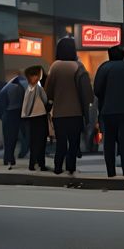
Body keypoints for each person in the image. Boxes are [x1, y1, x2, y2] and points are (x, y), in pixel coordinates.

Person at [43, 36, 92, 175]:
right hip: (76, 113)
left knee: (61, 143)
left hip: (59, 114)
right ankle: (71, 167)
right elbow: (88, 93)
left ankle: (58, 167)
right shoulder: (79, 67)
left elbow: (48, 92)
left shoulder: (55, 66)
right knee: (74, 142)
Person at [93, 44, 124, 177]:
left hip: (108, 111)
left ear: (109, 55)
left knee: (109, 142)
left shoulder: (104, 68)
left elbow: (97, 90)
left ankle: (111, 171)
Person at [21, 65, 50, 171]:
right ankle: (40, 163)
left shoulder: (28, 88)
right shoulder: (37, 88)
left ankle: (33, 163)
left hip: (31, 118)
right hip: (40, 116)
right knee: (41, 141)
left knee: (34, 141)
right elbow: (45, 100)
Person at [0, 71, 26, 168]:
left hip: (6, 114)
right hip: (15, 114)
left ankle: (6, 158)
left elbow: (0, 102)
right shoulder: (20, 88)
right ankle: (11, 158)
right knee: (13, 138)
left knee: (7, 138)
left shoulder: (5, 89)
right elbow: (22, 103)